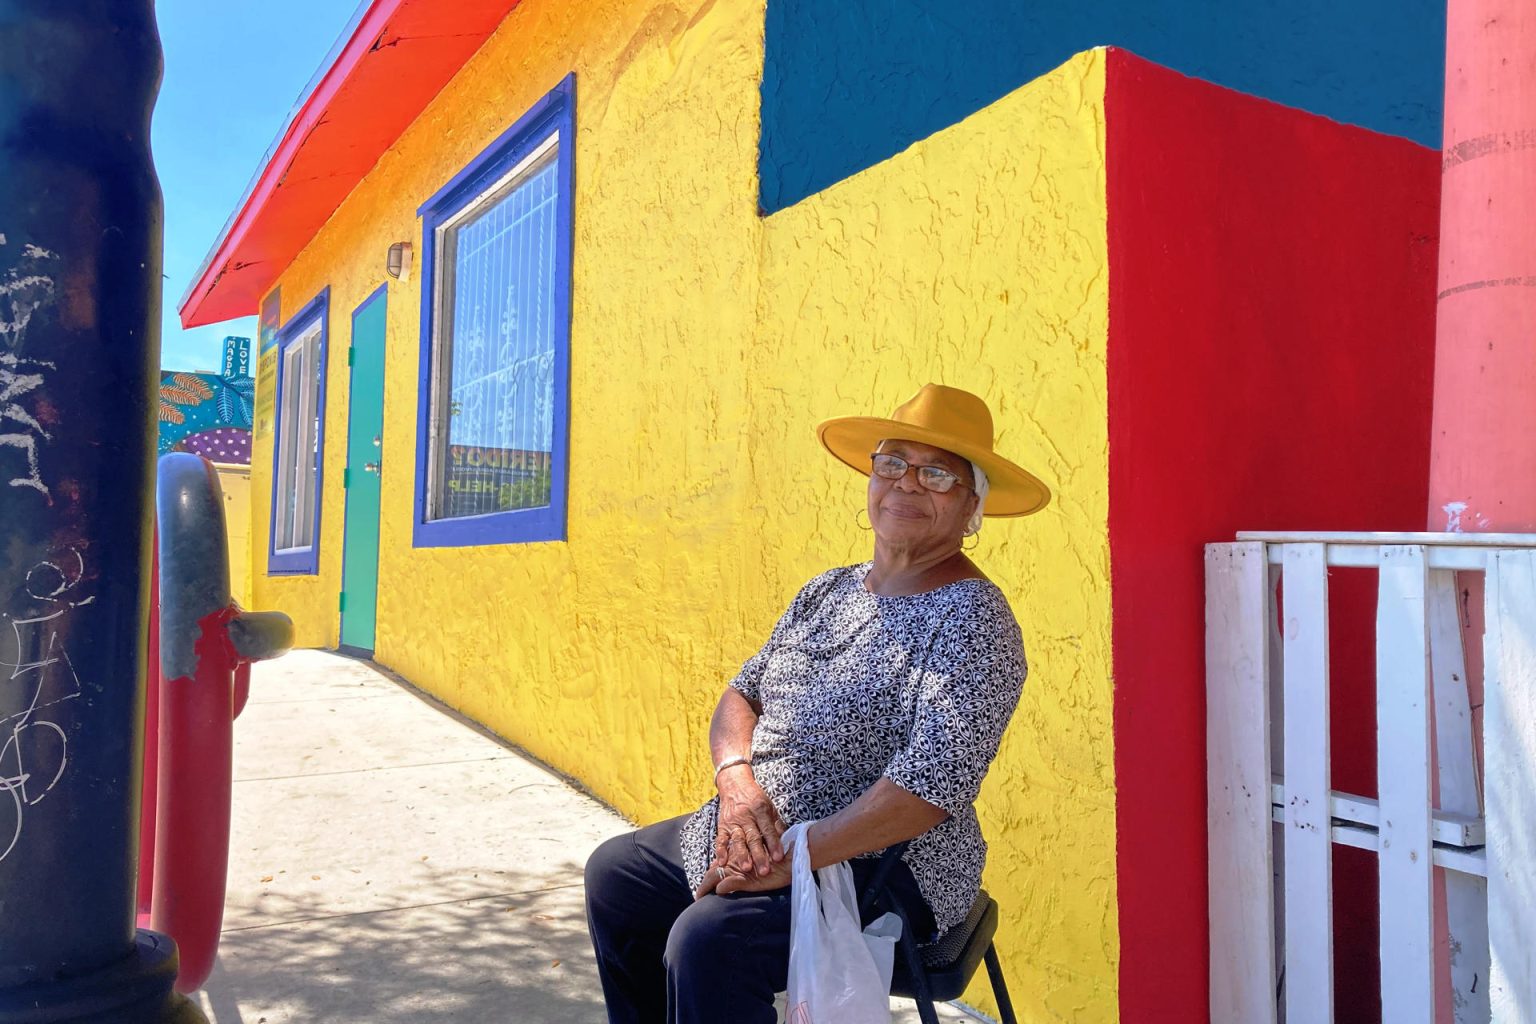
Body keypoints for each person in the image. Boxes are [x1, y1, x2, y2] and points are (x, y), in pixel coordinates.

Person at [584, 383, 1049, 1024]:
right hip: (766, 828)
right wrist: (738, 786)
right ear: (871, 482)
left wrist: (794, 855)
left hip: (887, 862)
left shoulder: (975, 619)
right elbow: (742, 693)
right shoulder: (828, 590)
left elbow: (930, 788)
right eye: (892, 464)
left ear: (973, 507)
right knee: (617, 877)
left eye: (937, 473)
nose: (907, 484)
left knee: (710, 940)